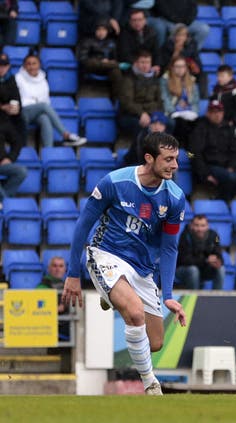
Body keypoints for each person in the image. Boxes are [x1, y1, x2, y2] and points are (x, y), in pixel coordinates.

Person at [61, 132, 187, 396]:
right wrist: (73, 273)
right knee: (135, 313)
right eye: (168, 159)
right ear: (149, 158)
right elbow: (83, 225)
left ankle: (111, 295)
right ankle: (150, 383)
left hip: (142, 267)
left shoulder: (174, 197)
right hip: (107, 254)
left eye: (176, 159)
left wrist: (168, 295)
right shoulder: (115, 183)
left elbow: (169, 247)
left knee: (155, 342)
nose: (175, 165)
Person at [15, 53, 87, 147]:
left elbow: (45, 99)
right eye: (29, 64)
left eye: (34, 63)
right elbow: (19, 99)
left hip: (37, 112)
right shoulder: (18, 78)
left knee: (45, 118)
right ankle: (65, 134)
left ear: (39, 65)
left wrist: (37, 103)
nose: (32, 67)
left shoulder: (43, 79)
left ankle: (48, 151)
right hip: (23, 111)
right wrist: (36, 103)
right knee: (44, 107)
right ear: (24, 66)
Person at [189, 99, 236, 202]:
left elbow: (235, 151)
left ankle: (222, 199)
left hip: (225, 167)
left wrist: (231, 166)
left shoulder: (228, 128)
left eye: (219, 112)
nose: (217, 115)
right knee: (230, 178)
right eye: (214, 112)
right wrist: (205, 174)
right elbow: (192, 153)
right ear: (208, 113)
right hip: (209, 166)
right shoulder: (200, 128)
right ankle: (224, 201)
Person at [0, 52, 27, 207]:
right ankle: (3, 201)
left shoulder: (3, 122)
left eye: (4, 65)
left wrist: (9, 158)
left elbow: (17, 141)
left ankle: (3, 199)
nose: (1, 68)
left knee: (21, 171)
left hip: (2, 162)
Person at [116, 50, 164, 138]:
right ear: (136, 63)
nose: (145, 65)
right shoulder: (128, 79)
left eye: (148, 62)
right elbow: (126, 103)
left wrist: (157, 117)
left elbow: (160, 101)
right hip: (131, 115)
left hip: (151, 113)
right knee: (144, 125)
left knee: (169, 123)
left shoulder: (154, 79)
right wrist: (141, 113)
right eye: (142, 62)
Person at [175, 215, 225, 290]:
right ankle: (193, 298)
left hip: (205, 269)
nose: (200, 229)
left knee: (220, 269)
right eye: (196, 225)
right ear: (191, 225)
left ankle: (217, 298)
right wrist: (206, 260)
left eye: (203, 226)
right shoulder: (185, 236)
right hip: (185, 270)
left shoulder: (215, 236)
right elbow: (185, 260)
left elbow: (218, 252)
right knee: (193, 270)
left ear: (207, 226)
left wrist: (217, 261)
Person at [160, 56, 200, 146]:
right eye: (177, 66)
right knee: (182, 124)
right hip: (172, 112)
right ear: (172, 67)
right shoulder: (165, 80)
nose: (180, 69)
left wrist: (193, 112)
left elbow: (196, 101)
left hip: (189, 113)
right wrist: (174, 111)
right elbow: (164, 99)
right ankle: (187, 152)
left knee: (198, 124)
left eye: (182, 66)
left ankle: (191, 152)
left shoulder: (192, 81)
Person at [160, 23, 206, 98]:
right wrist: (176, 52)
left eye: (183, 35)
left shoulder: (192, 45)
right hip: (172, 72)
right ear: (174, 36)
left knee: (203, 76)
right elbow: (165, 65)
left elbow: (197, 62)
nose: (180, 38)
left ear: (186, 37)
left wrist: (195, 66)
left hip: (188, 71)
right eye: (178, 35)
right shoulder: (167, 46)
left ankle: (202, 100)